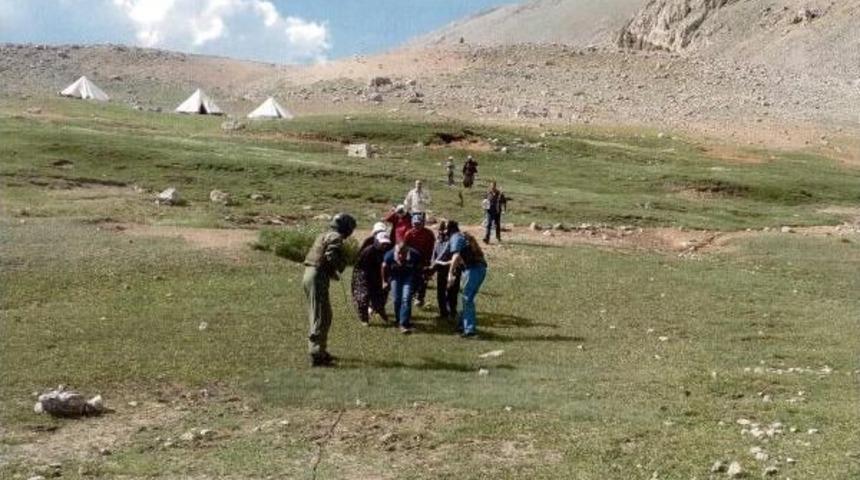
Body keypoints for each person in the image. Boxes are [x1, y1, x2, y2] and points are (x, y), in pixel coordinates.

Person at [303, 213, 356, 366]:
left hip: (312, 274)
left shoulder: (325, 235)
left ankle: (321, 350)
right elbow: (331, 255)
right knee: (320, 315)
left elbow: (322, 256)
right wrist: (339, 267)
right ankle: (316, 353)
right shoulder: (335, 237)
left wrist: (331, 272)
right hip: (316, 276)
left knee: (324, 314)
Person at [447, 221, 487, 337]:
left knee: (467, 298)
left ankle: (469, 330)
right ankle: (461, 326)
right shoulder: (462, 236)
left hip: (473, 270)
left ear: (449, 231)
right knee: (464, 297)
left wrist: (450, 274)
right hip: (476, 269)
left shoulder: (455, 237)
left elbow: (455, 256)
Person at [352, 231, 392, 326]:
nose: (385, 245)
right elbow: (362, 268)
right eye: (383, 243)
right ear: (377, 241)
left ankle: (381, 313)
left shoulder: (388, 251)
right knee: (363, 297)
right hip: (363, 275)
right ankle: (364, 319)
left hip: (379, 275)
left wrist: (386, 280)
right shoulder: (368, 251)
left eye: (386, 243)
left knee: (380, 296)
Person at [382, 243, 422, 334]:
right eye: (399, 253)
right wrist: (384, 281)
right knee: (396, 299)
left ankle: (403, 323)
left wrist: (418, 283)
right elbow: (384, 267)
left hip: (408, 277)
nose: (400, 255)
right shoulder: (389, 255)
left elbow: (419, 268)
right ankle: (398, 319)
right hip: (395, 277)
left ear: (407, 251)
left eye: (403, 253)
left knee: (406, 298)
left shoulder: (415, 255)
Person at [403, 213, 436, 307]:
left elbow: (433, 247)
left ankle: (420, 298)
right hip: (412, 260)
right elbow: (404, 247)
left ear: (423, 223)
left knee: (423, 279)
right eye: (415, 224)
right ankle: (412, 295)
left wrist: (431, 261)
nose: (417, 226)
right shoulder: (409, 233)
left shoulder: (429, 233)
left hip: (425, 259)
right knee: (413, 278)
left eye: (419, 224)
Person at [430, 220, 460, 322]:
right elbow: (434, 253)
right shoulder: (438, 240)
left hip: (452, 268)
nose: (441, 232)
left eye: (443, 230)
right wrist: (433, 264)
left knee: (452, 292)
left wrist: (434, 266)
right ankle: (443, 312)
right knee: (440, 292)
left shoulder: (451, 240)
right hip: (441, 269)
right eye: (440, 230)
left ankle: (452, 312)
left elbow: (444, 253)